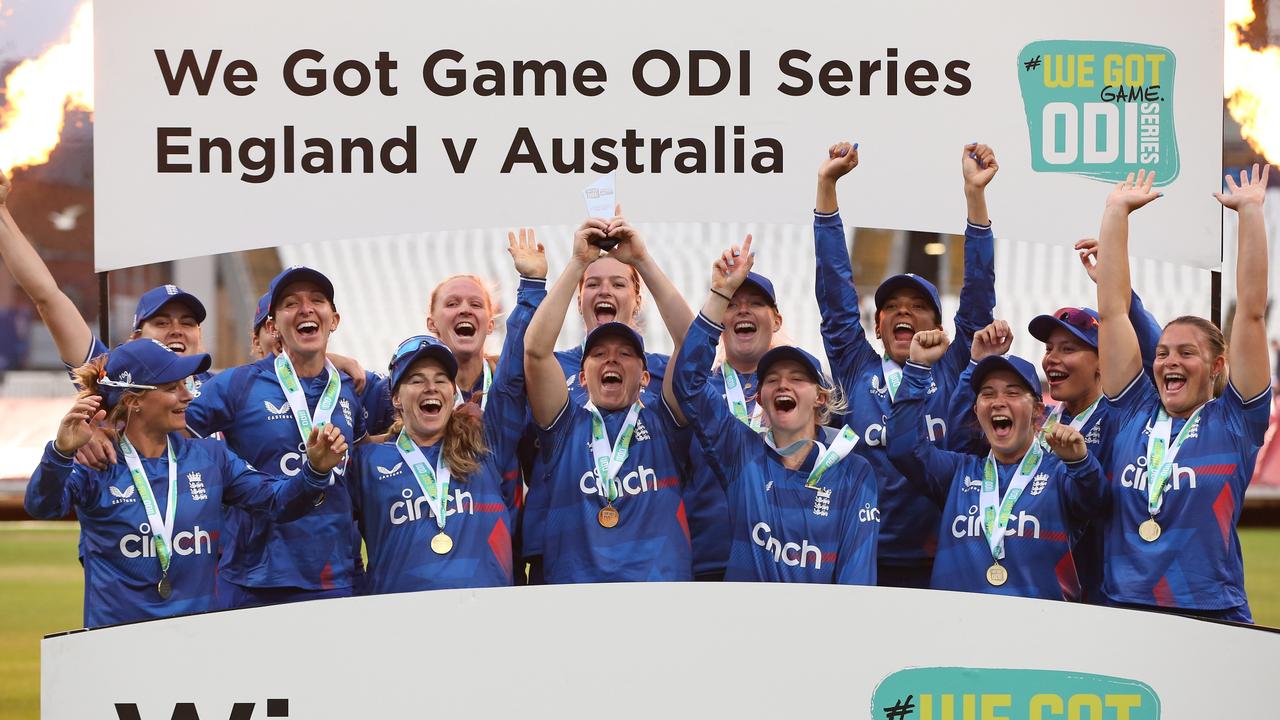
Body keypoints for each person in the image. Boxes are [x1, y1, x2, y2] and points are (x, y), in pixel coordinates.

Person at [23, 338, 346, 627]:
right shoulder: (97, 462)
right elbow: (43, 506)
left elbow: (277, 502)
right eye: (172, 387)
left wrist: (314, 471)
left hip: (194, 649)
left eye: (187, 383)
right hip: (116, 652)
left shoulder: (212, 458)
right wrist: (60, 453)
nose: (188, 395)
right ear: (135, 400)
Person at [814, 140, 996, 587]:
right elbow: (835, 293)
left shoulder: (955, 371)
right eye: (890, 307)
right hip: (861, 555)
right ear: (877, 327)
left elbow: (978, 296)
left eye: (917, 307)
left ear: (940, 327)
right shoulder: (856, 369)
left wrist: (975, 199)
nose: (902, 313)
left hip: (944, 557)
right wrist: (826, 188)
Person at [1095, 166, 1272, 622]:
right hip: (1124, 608)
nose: (1169, 361)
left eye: (1186, 353)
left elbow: (1251, 314)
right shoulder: (1130, 411)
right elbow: (1113, 312)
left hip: (1209, 610)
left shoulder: (1235, 421)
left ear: (1217, 367)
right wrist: (1116, 213)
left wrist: (1250, 212)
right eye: (1163, 352)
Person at [347, 231, 546, 592]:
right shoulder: (367, 461)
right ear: (393, 397)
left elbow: (513, 376)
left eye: (441, 379)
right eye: (416, 380)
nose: (430, 388)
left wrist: (532, 286)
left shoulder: (486, 443)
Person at [672, 237, 878, 583]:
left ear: (821, 398)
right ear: (759, 399)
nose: (783, 385)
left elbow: (856, 573)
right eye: (774, 380)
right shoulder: (741, 451)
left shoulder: (852, 470)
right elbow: (687, 383)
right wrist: (719, 295)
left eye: (797, 378)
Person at [184, 265, 368, 608]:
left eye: (317, 300)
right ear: (273, 326)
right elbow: (170, 430)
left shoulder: (353, 387)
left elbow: (419, 393)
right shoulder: (236, 385)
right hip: (254, 576)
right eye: (290, 303)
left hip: (335, 576)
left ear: (335, 319)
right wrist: (103, 433)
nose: (306, 309)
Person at [523, 213, 694, 583]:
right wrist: (577, 263)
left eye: (618, 283)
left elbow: (692, 344)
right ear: (582, 377)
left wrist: (642, 261)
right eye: (592, 284)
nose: (604, 291)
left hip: (658, 581)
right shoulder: (563, 404)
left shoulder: (664, 393)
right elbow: (534, 351)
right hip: (572, 575)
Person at [887, 328, 1105, 599]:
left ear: (1038, 410)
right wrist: (918, 368)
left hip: (1041, 631)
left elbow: (1095, 500)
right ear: (976, 409)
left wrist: (1081, 463)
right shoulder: (957, 473)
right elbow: (903, 447)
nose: (999, 402)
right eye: (988, 394)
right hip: (957, 629)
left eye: (1012, 393)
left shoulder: (1060, 473)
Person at [683, 265, 785, 582]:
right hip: (709, 559)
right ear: (720, 320)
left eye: (755, 303)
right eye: (731, 303)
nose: (742, 310)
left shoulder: (803, 391)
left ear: (777, 320)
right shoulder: (697, 394)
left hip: (786, 559)